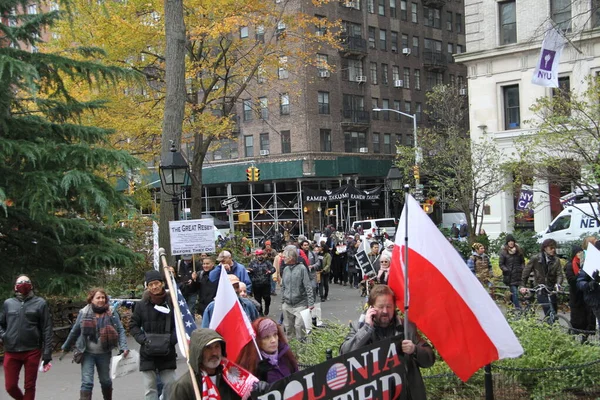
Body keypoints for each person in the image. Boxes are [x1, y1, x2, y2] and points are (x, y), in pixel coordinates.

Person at [340, 285, 435, 400]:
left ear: (394, 306)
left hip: (404, 394)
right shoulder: (358, 327)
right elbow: (344, 354)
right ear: (371, 308)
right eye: (380, 307)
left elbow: (429, 360)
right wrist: (366, 330)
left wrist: (415, 350)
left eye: (389, 306)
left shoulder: (407, 328)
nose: (385, 311)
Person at [61, 288, 129, 400]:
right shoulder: (84, 312)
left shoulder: (111, 312)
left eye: (103, 297)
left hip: (104, 352)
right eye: (98, 297)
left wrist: (124, 346)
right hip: (87, 352)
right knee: (87, 382)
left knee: (105, 381)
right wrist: (66, 346)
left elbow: (120, 330)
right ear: (91, 299)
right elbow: (75, 331)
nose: (101, 300)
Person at [0, 275, 53, 400]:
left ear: (31, 285)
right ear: (15, 287)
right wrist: (4, 336)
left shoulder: (40, 303)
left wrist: (47, 353)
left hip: (32, 350)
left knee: (29, 386)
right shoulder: (8, 303)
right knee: (10, 386)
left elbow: (47, 328)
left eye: (26, 282)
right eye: (20, 282)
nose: (23, 284)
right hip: (12, 351)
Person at [169, 329, 261, 399]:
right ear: (198, 353)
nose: (214, 353)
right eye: (208, 348)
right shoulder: (185, 386)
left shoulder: (231, 378)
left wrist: (258, 389)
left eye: (217, 347)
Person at [129, 270, 178, 400]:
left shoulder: (172, 303)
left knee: (170, 385)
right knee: (150, 388)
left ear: (162, 283)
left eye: (156, 283)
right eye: (151, 284)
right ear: (147, 286)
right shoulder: (141, 305)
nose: (154, 287)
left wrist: (171, 341)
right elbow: (133, 325)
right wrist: (143, 340)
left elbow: (179, 325)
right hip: (148, 352)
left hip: (167, 352)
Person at [236, 317, 299, 383]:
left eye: (275, 334)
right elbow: (246, 390)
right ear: (258, 340)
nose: (273, 340)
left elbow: (298, 379)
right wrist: (260, 379)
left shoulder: (286, 355)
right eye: (266, 337)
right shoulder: (250, 364)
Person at [520, 238, 564, 317]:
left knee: (554, 310)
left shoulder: (556, 260)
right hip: (540, 288)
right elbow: (525, 272)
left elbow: (559, 274)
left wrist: (558, 284)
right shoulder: (536, 258)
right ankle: (549, 326)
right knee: (548, 310)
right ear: (545, 248)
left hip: (551, 288)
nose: (553, 250)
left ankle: (552, 325)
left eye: (554, 248)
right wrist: (523, 285)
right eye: (551, 248)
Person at [281, 245, 314, 340]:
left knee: (299, 327)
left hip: (300, 304)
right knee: (288, 329)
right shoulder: (286, 269)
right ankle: (291, 352)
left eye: (285, 257)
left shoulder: (302, 268)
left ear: (291, 258)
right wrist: (283, 302)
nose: (283, 259)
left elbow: (308, 286)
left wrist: (310, 303)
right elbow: (283, 286)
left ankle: (301, 352)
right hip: (287, 304)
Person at [566, 245, 596, 337]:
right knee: (577, 317)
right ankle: (573, 334)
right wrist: (578, 275)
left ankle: (586, 336)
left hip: (585, 293)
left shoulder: (586, 263)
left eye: (581, 252)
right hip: (576, 295)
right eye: (578, 253)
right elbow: (570, 280)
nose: (580, 254)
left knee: (588, 316)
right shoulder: (570, 265)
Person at [499, 234, 525, 309]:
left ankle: (511, 304)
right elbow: (501, 264)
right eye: (509, 241)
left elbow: (522, 261)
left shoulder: (518, 251)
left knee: (514, 292)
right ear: (507, 242)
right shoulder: (504, 252)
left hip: (518, 274)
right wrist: (506, 270)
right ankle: (517, 307)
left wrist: (522, 268)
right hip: (509, 276)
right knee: (515, 292)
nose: (511, 243)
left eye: (512, 241)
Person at [248, 249, 276, 315]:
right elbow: (248, 270)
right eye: (258, 255)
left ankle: (267, 307)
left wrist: (270, 271)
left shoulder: (267, 262)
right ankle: (260, 312)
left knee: (267, 298)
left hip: (266, 284)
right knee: (258, 299)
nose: (259, 256)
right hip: (256, 284)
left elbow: (273, 269)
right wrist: (250, 271)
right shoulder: (252, 263)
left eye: (261, 255)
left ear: (263, 255)